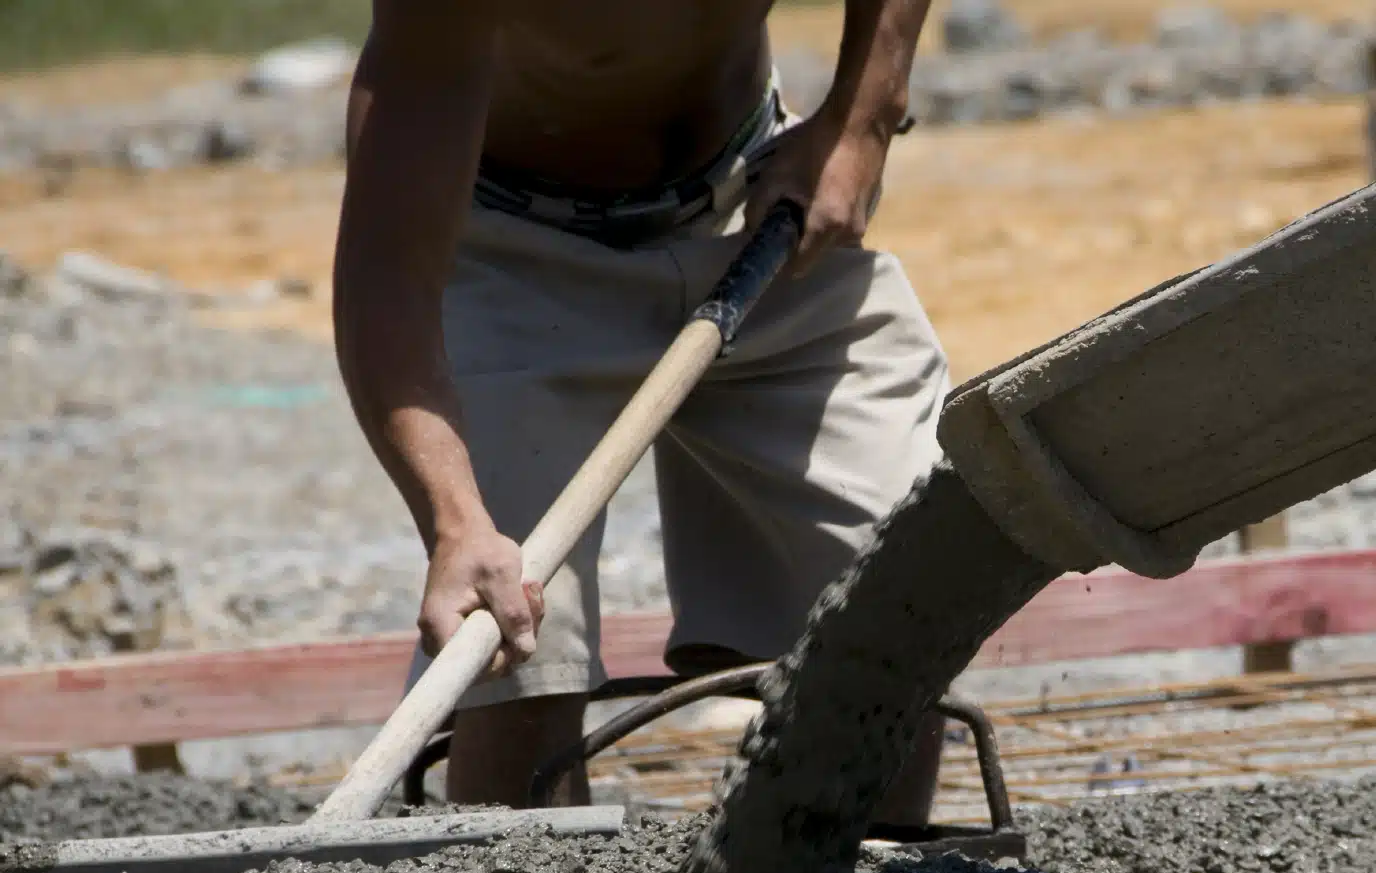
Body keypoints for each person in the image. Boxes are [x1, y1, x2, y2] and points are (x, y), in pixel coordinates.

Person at [332, 0, 951, 821]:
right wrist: (456, 521)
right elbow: (387, 275)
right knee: (516, 649)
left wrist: (862, 120)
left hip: (754, 211)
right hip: (512, 251)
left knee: (899, 594)